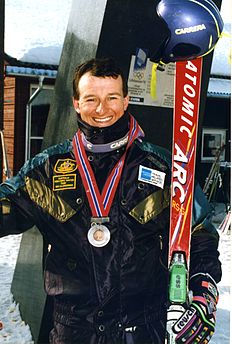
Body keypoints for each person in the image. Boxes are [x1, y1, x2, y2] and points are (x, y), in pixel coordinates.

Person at [0, 57, 221, 344]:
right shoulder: (48, 170)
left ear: (126, 100)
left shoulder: (163, 168)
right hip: (73, 331)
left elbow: (199, 232)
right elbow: (8, 208)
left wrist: (204, 293)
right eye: (91, 99)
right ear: (77, 103)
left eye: (112, 97)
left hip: (142, 330)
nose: (102, 109)